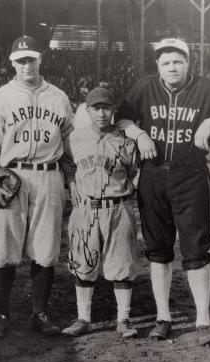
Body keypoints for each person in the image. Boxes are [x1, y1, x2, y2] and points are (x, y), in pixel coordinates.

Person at [116, 38, 210, 345]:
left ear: (188, 63)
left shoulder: (207, 88)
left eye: (178, 61)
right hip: (153, 175)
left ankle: (203, 319)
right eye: (166, 62)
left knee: (196, 249)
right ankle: (164, 317)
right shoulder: (145, 87)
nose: (172, 67)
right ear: (158, 65)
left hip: (191, 176)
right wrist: (138, 133)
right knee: (158, 249)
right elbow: (121, 117)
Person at [0, 35, 74, 338]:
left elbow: (71, 141)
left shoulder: (58, 96)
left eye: (31, 58)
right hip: (11, 178)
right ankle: (1, 314)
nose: (26, 64)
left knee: (45, 248)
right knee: (5, 248)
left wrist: (71, 181)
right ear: (12, 63)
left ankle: (40, 314)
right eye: (20, 60)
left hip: (48, 175)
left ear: (40, 59)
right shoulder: (0, 98)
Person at [62, 87, 140, 338]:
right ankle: (83, 318)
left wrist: (128, 193)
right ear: (87, 110)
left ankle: (124, 319)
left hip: (118, 208)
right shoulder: (74, 138)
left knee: (122, 264)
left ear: (113, 110)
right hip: (86, 209)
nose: (102, 113)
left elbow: (137, 171)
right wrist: (72, 184)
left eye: (106, 108)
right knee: (83, 262)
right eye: (96, 108)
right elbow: (67, 165)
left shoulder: (125, 139)